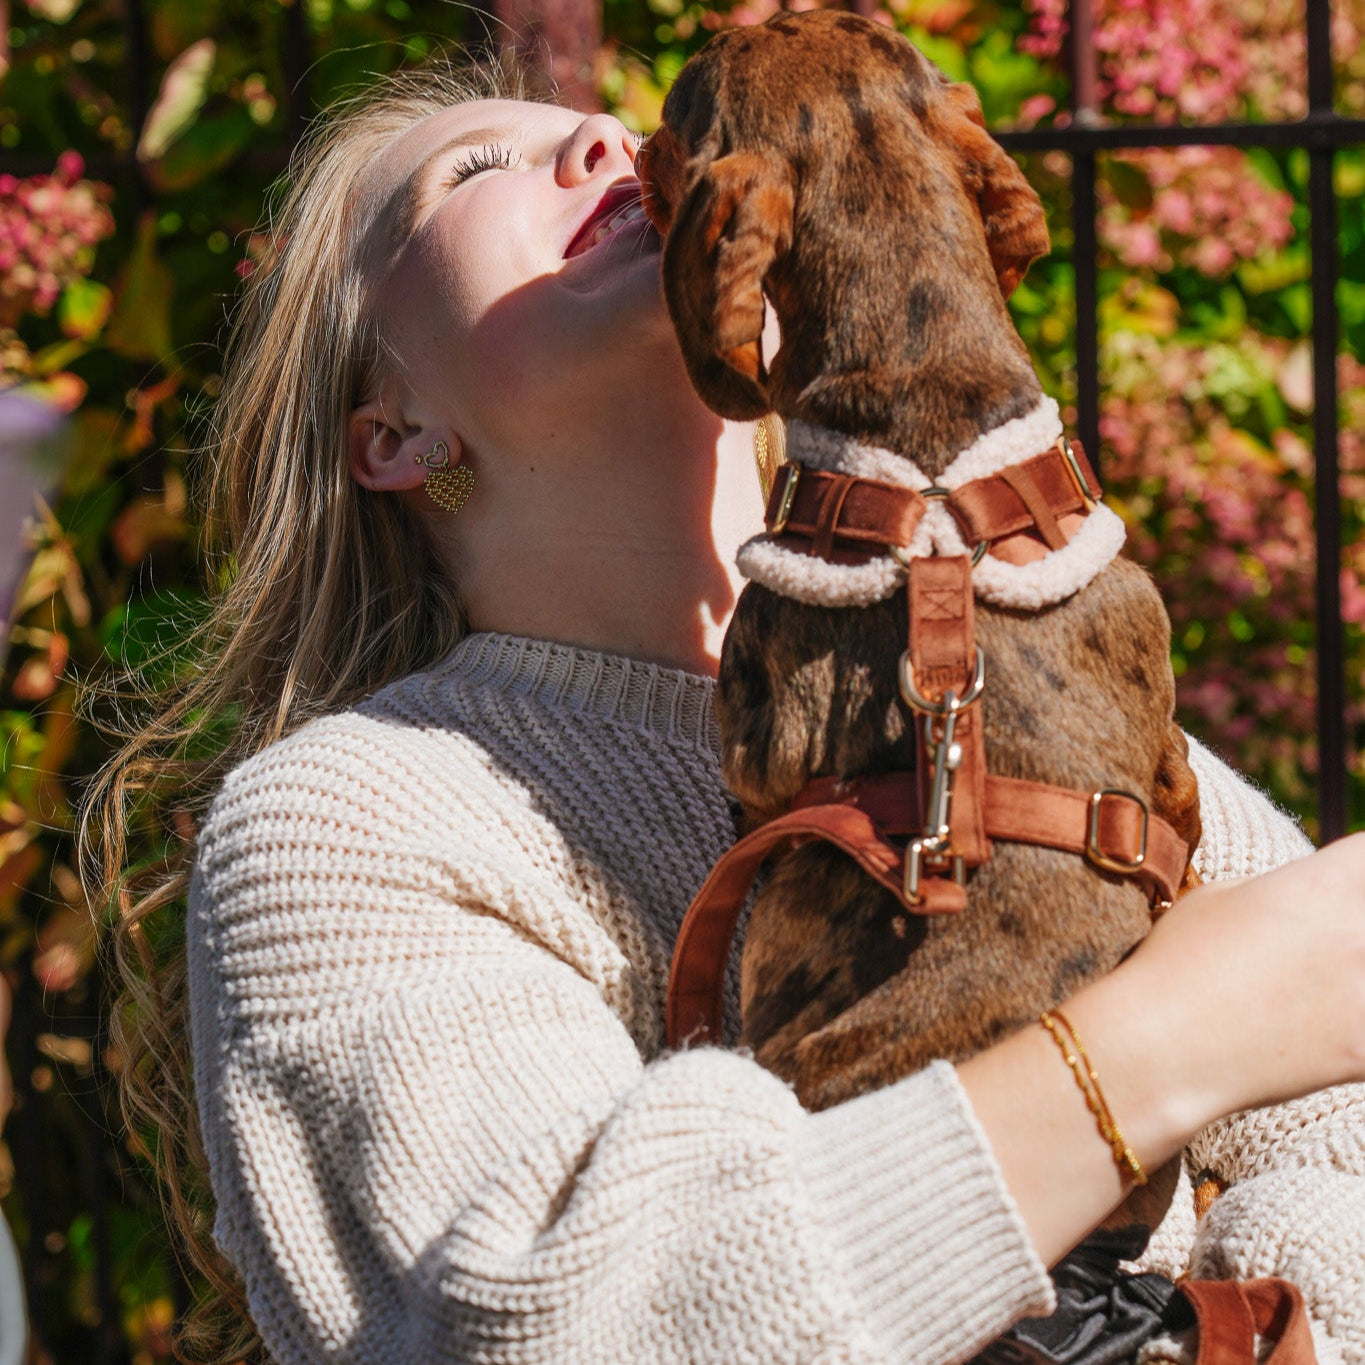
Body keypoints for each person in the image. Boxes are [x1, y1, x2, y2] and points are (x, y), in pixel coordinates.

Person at [83, 60, 1365, 1365]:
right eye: (474, 171)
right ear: (391, 432)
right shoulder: (352, 820)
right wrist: (1170, 1041)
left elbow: (1346, 1128)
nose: (601, 142)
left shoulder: (1026, 668)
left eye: (608, 133)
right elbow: (572, 1322)